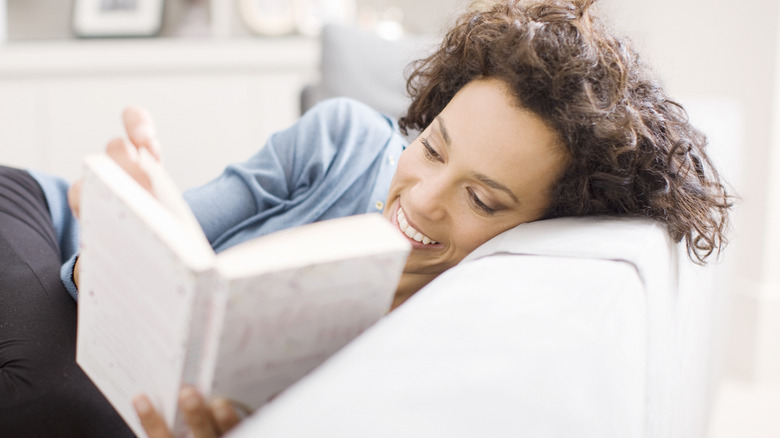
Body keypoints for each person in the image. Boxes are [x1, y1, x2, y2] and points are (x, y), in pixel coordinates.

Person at [0, 0, 731, 436]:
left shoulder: (456, 321)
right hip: (30, 217)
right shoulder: (344, 140)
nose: (420, 198)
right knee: (52, 402)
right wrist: (136, 212)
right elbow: (82, 275)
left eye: (482, 199)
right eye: (433, 146)